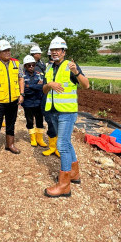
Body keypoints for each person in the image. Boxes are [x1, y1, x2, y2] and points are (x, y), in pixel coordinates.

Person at [42, 36, 90, 198]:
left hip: (67, 112)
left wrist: (76, 72)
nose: (55, 52)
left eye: (58, 49)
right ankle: (74, 174)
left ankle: (64, 185)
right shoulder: (48, 68)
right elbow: (44, 89)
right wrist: (49, 85)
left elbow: (86, 84)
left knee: (62, 145)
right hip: (54, 110)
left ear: (64, 51)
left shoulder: (70, 66)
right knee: (67, 143)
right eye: (53, 50)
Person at [0, 40, 24, 162]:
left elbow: (21, 79)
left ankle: (10, 144)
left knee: (11, 123)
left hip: (13, 100)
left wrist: (21, 94)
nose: (7, 53)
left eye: (8, 50)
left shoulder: (16, 63)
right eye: (4, 51)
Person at [21, 55, 47, 147]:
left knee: (40, 120)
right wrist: (34, 87)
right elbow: (24, 89)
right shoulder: (22, 77)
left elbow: (41, 87)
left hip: (38, 102)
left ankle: (40, 139)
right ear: (25, 66)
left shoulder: (40, 75)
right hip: (27, 103)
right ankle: (33, 139)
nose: (31, 67)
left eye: (33, 65)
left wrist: (29, 86)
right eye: (29, 65)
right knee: (29, 120)